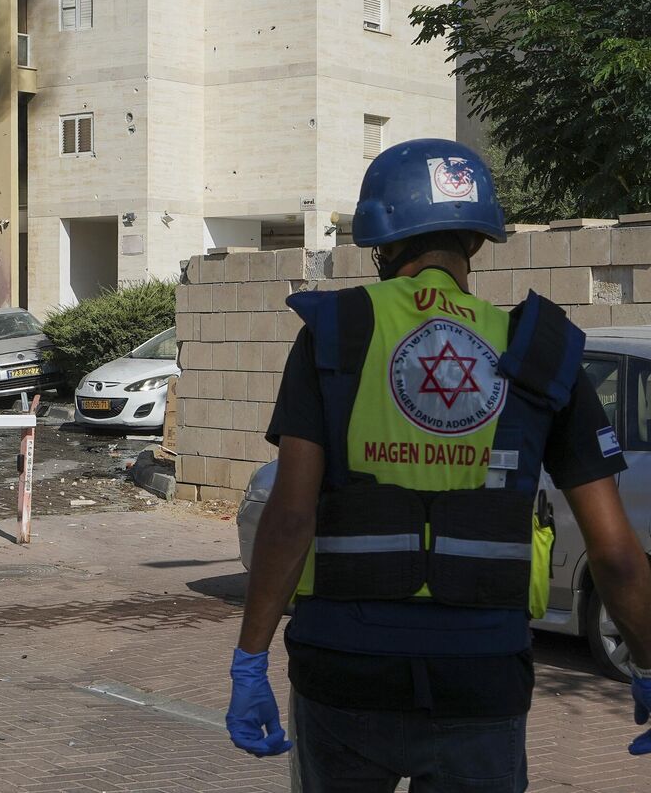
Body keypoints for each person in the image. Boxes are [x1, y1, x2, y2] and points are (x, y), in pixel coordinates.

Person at [225, 139, 651, 790]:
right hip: (481, 681)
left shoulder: (334, 337)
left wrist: (249, 660)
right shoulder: (540, 352)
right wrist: (646, 664)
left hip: (344, 672)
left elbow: (288, 518)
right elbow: (617, 552)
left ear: (381, 245)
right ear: (476, 244)